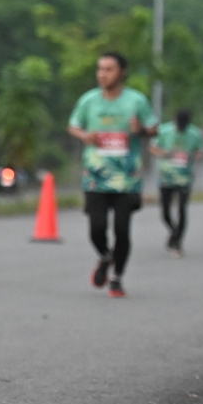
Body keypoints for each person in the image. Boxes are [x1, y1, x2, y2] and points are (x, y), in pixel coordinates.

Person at [67, 52, 158, 299]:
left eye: (109, 69)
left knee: (121, 229)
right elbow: (73, 125)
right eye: (100, 69)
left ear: (122, 72)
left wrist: (141, 130)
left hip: (126, 178)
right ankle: (105, 257)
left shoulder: (136, 101)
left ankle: (117, 278)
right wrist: (85, 135)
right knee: (96, 228)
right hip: (95, 176)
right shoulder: (89, 100)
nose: (103, 74)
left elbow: (153, 128)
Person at [150, 108, 203, 257]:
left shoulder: (195, 133)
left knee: (182, 209)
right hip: (166, 177)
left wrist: (193, 156)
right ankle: (174, 231)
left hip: (184, 178)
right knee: (165, 212)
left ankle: (178, 241)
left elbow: (200, 151)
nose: (181, 128)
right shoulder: (164, 131)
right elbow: (153, 147)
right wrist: (163, 153)